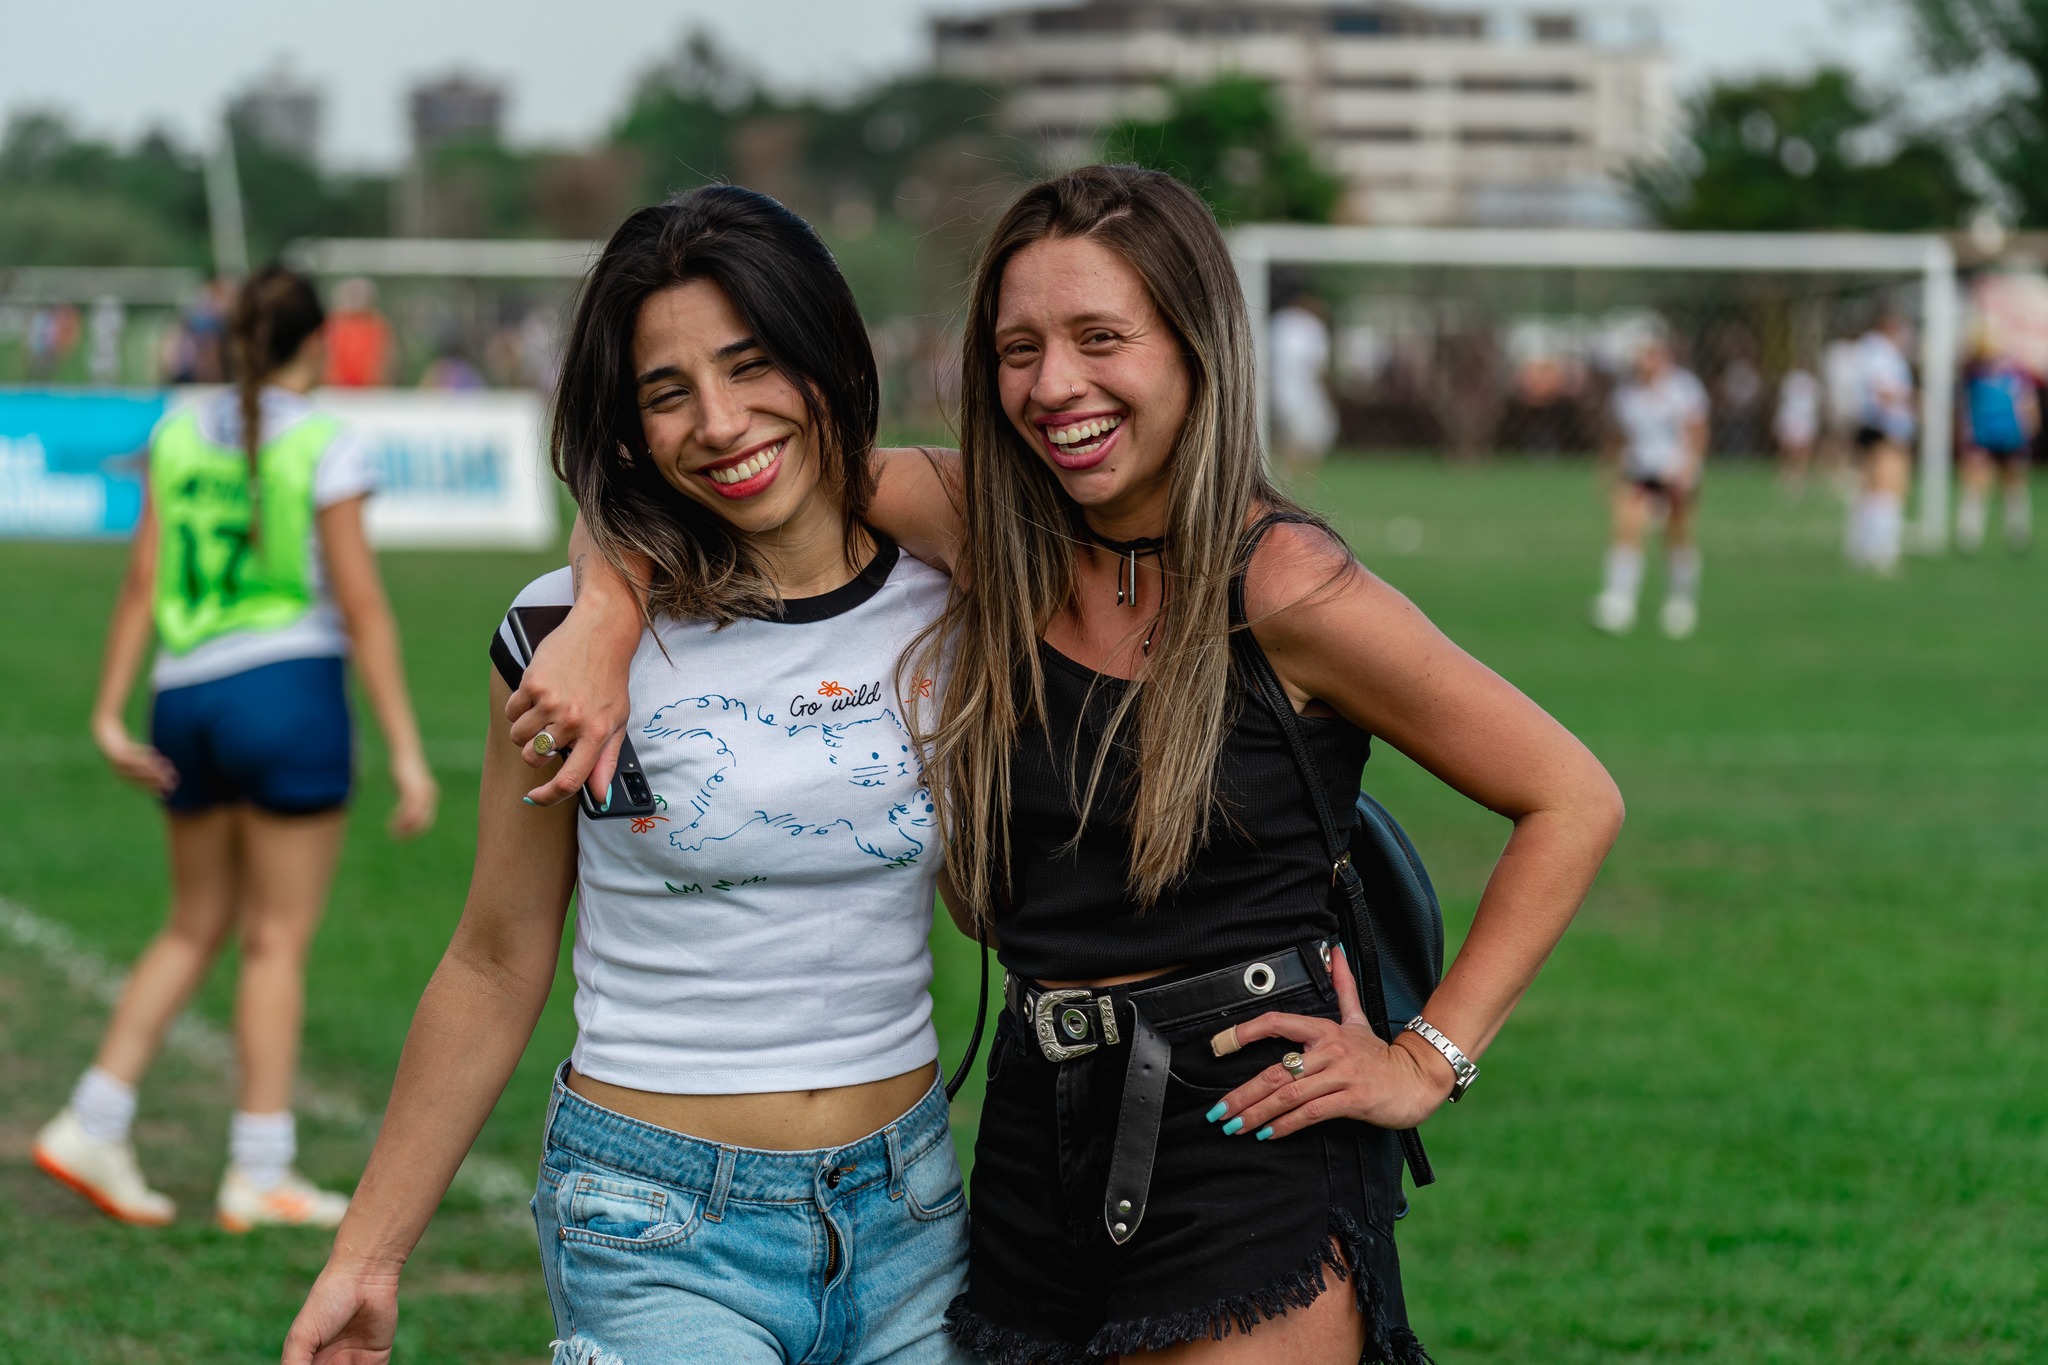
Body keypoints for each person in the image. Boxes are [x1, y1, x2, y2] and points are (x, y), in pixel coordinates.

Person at [518, 164, 1624, 1365]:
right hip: (1032, 1148)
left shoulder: (1286, 586)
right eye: (1018, 348)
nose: (1055, 387)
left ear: (1194, 346)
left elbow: (1568, 795)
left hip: (1248, 1132)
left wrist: (1428, 1060)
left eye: (1101, 339)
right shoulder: (983, 524)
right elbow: (702, 474)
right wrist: (603, 621)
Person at [282, 187, 972, 1365]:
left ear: (826, 354)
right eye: (667, 392)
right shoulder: (554, 638)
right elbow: (496, 957)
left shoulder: (955, 588)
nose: (717, 421)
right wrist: (367, 1257)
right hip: (655, 1222)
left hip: (913, 1211)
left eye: (752, 364)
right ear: (627, 424)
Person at [36, 265, 439, 1231]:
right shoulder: (325, 440)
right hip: (287, 694)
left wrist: (106, 713)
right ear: (312, 344)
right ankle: (260, 1167)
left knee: (192, 924)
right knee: (275, 940)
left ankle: (96, 1116)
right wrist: (408, 750)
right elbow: (363, 604)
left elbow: (141, 583)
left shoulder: (176, 431)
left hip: (184, 701)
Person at [1592, 334, 1710, 639]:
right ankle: (1619, 601)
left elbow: (1697, 433)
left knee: (1677, 535)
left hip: (1674, 473)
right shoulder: (1626, 394)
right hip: (1640, 471)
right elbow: (1618, 436)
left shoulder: (1683, 389)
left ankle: (1681, 601)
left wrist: (1688, 470)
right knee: (1627, 526)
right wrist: (1610, 470)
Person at [1846, 312, 1917, 576]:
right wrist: (1912, 400)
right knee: (1888, 489)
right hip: (1886, 427)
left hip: (1874, 426)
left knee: (1872, 490)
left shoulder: (1868, 350)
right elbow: (1882, 388)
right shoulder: (1880, 352)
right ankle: (1883, 549)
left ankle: (1863, 546)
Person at [1956, 340, 2037, 555]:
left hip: (1994, 436)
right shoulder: (2010, 374)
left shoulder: (1976, 374)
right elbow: (2029, 408)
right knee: (2006, 487)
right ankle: (2011, 533)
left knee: (1989, 487)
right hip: (2004, 436)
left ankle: (1972, 535)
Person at [1270, 291, 1338, 485]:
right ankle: (1298, 480)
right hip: (1305, 393)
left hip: (1276, 392)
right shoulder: (1312, 327)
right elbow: (1318, 367)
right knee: (1315, 435)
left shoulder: (1278, 323)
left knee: (1289, 437)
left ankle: (1289, 475)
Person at [322, 277, 393, 388]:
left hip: (368, 392)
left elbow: (383, 361)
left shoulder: (377, 325)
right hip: (336, 391)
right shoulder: (333, 323)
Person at [1773, 366, 1821, 494]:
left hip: (1805, 417)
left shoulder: (1811, 381)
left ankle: (1800, 475)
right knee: (1788, 447)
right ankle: (1787, 473)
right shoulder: (1790, 379)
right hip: (1792, 415)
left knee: (1805, 448)